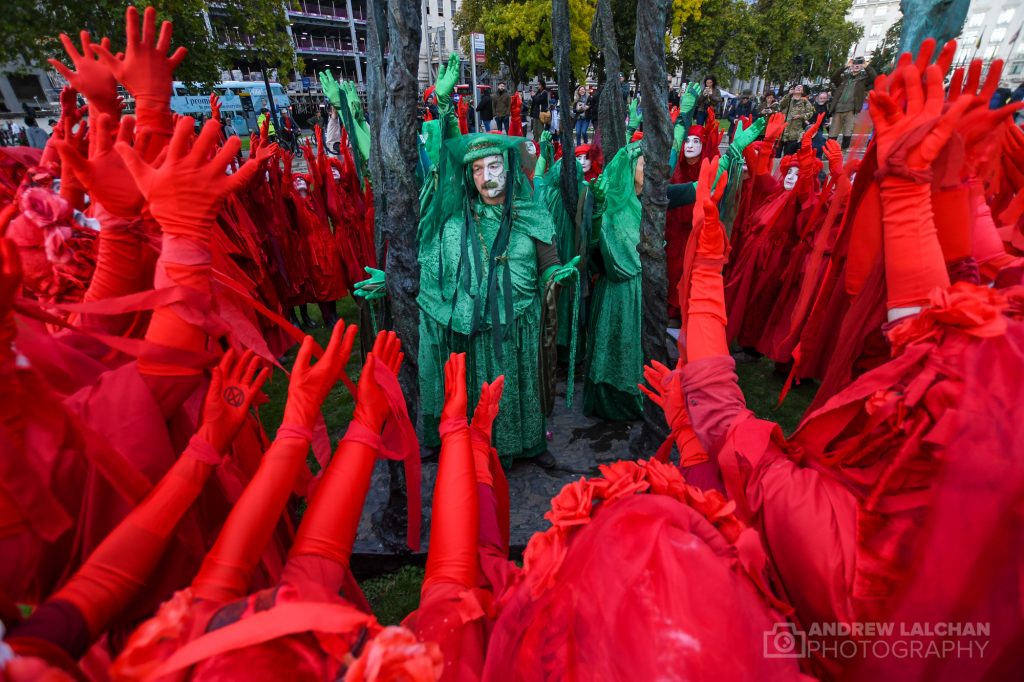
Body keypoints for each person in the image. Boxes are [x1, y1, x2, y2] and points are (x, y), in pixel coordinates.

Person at [830, 56, 876, 150]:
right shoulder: (844, 79)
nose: (856, 65)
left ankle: (843, 151)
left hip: (851, 109)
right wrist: (845, 66)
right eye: (854, 64)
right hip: (838, 108)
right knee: (833, 132)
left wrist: (866, 66)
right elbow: (834, 77)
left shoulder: (863, 80)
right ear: (851, 66)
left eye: (859, 64)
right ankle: (828, 151)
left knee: (848, 132)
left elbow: (874, 77)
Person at [778, 84, 815, 155]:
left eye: (800, 87)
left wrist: (800, 116)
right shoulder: (788, 99)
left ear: (802, 91)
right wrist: (789, 94)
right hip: (781, 133)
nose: (798, 88)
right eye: (797, 87)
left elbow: (810, 113)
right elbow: (780, 106)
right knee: (776, 156)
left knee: (788, 156)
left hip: (793, 133)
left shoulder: (805, 102)